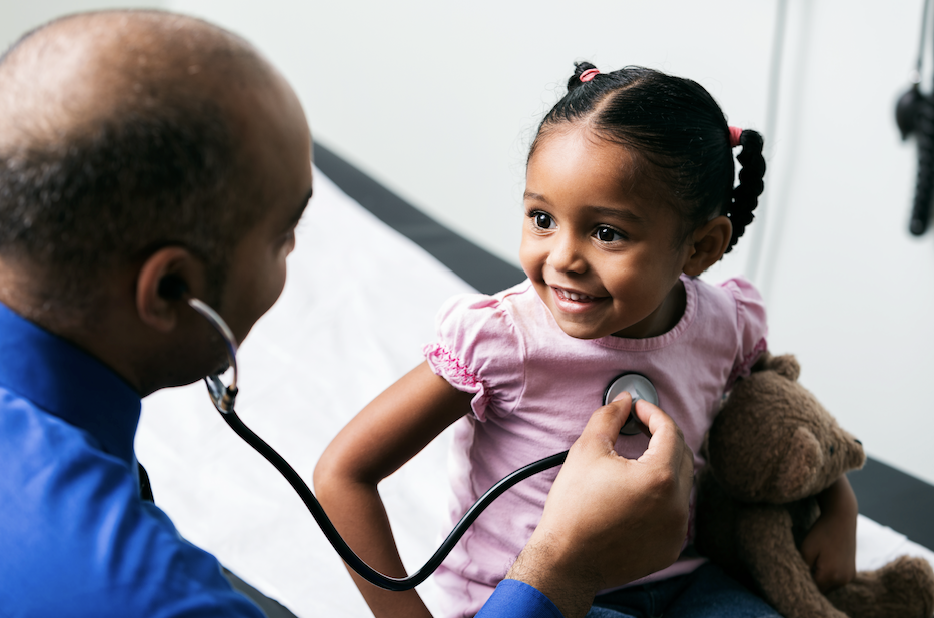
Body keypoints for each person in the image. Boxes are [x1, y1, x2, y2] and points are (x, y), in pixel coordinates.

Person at [0, 11, 695, 618]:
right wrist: (562, 570)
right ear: (173, 290)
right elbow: (345, 474)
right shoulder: (148, 596)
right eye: (284, 235)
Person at [314, 63, 860, 618]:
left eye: (607, 233)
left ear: (700, 248)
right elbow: (343, 476)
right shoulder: (504, 342)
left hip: (681, 581)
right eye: (542, 218)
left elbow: (782, 424)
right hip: (534, 595)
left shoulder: (723, 325)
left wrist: (840, 508)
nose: (564, 259)